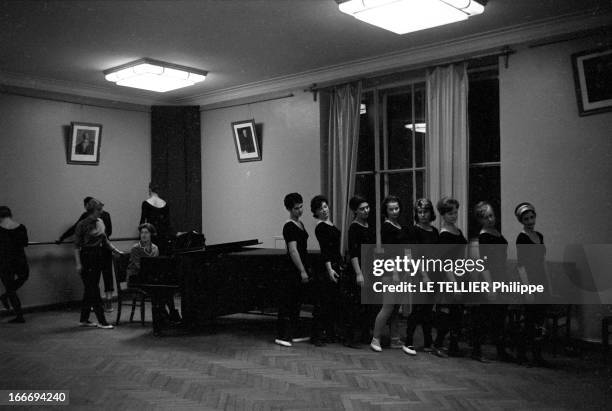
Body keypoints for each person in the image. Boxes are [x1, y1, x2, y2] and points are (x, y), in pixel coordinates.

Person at [57, 196, 115, 312]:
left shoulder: (85, 217)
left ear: (87, 206)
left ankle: (95, 305)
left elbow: (75, 229)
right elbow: (109, 233)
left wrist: (62, 238)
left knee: (94, 279)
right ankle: (108, 302)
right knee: (107, 274)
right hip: (105, 249)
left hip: (93, 251)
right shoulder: (106, 215)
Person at [473, 201, 513, 363]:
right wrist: (489, 285)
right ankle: (476, 350)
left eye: (491, 215)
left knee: (499, 316)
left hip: (501, 276)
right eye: (485, 217)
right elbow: (484, 263)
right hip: (490, 278)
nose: (490, 219)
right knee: (486, 316)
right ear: (480, 220)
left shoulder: (495, 231)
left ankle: (501, 351)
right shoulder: (484, 236)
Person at [74, 198, 121, 329]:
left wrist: (116, 251)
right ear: (92, 211)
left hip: (97, 256)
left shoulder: (100, 222)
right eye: (98, 210)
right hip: (86, 257)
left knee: (90, 289)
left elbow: (105, 240)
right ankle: (102, 321)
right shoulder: (82, 224)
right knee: (94, 289)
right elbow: (76, 246)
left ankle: (84, 319)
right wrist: (78, 264)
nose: (101, 212)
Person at [370, 195, 410, 352]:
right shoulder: (387, 227)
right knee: (388, 306)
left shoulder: (399, 225)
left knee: (395, 308)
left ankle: (395, 339)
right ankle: (375, 338)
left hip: (401, 270)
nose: (395, 211)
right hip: (390, 271)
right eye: (391, 209)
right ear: (385, 211)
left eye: (397, 208)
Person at [403, 198, 441, 357]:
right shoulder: (413, 231)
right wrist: (423, 275)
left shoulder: (434, 232)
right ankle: (408, 341)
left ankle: (428, 342)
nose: (423, 215)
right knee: (418, 309)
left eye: (425, 211)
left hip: (434, 273)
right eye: (419, 212)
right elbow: (412, 255)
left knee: (427, 309)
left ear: (431, 213)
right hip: (420, 273)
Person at [515, 202, 550, 367]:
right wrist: (527, 289)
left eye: (531, 217)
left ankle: (537, 354)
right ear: (521, 221)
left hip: (541, 279)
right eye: (526, 219)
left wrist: (548, 282)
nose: (530, 221)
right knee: (529, 320)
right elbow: (521, 265)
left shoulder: (540, 236)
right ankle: (521, 354)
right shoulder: (521, 238)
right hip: (529, 281)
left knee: (539, 321)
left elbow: (543, 261)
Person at [275, 193, 311, 347]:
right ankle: (283, 336)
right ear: (290, 209)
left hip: (298, 266)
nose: (300, 210)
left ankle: (294, 333)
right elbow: (293, 250)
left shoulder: (300, 224)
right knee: (287, 302)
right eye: (297, 208)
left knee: (296, 301)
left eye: (301, 207)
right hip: (292, 268)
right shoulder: (289, 226)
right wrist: (302, 270)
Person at [434, 197, 466, 357]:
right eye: (450, 213)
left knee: (457, 312)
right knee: (446, 313)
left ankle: (453, 345)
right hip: (449, 277)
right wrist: (453, 283)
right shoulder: (444, 234)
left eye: (455, 212)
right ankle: (438, 344)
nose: (454, 215)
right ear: (443, 215)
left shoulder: (458, 231)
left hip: (460, 274)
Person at [312, 195, 343, 345]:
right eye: (320, 209)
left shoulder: (329, 224)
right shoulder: (320, 227)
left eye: (325, 207)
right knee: (323, 302)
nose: (324, 210)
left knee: (332, 301)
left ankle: (330, 333)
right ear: (315, 212)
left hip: (336, 263)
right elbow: (325, 250)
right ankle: (317, 335)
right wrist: (330, 269)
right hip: (327, 266)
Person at [345, 195, 375, 348]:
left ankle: (365, 334)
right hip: (359, 269)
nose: (366, 211)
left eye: (367, 207)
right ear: (355, 211)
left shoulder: (368, 225)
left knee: (367, 305)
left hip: (369, 268)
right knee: (356, 305)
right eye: (362, 209)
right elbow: (353, 252)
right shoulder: (354, 228)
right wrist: (359, 273)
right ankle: (350, 338)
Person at [0, 206, 29, 323]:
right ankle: (5, 296)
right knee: (24, 276)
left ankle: (19, 316)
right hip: (19, 259)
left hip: (4, 261)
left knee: (10, 287)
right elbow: (25, 243)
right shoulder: (21, 227)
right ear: (10, 215)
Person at [140, 182, 173, 255]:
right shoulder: (165, 204)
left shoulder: (146, 204)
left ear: (149, 189)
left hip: (151, 236)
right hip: (163, 237)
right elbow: (168, 224)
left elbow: (142, 223)